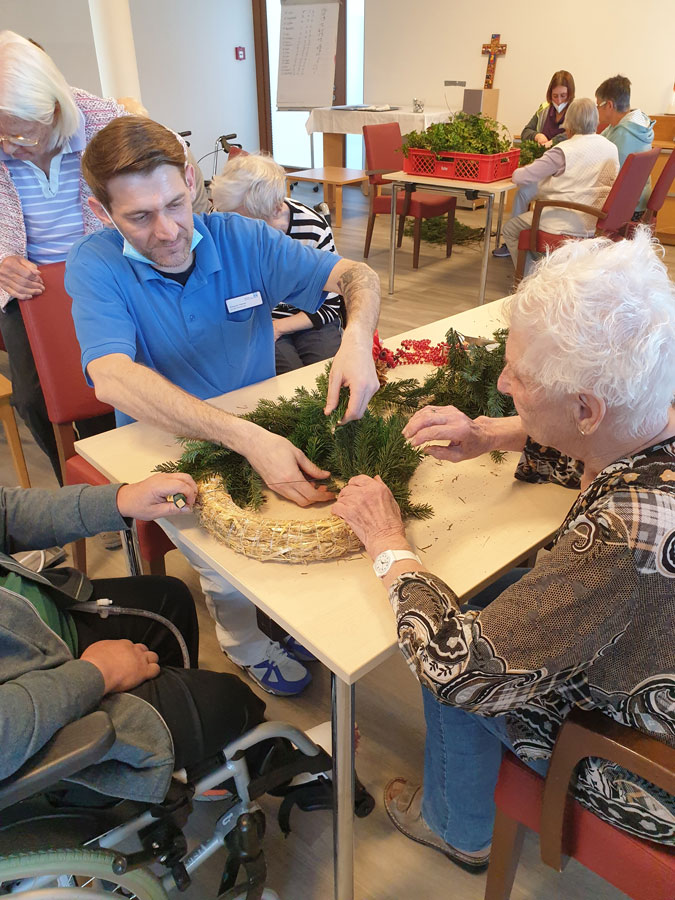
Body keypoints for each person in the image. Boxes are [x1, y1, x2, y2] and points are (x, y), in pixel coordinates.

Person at [332, 230, 675, 868]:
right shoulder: (653, 403)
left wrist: (387, 543)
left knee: (452, 634)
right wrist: (493, 432)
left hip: (640, 762)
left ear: (586, 409)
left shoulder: (622, 541)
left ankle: (457, 828)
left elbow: (463, 669)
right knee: (490, 595)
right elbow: (622, 444)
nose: (501, 379)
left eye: (519, 376)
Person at [64, 115, 381, 697]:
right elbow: (110, 376)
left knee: (327, 506)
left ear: (191, 178)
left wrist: (357, 341)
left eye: (176, 204)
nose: (166, 231)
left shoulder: (243, 238)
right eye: (138, 217)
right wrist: (245, 438)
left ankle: (282, 615)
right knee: (228, 553)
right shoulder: (96, 263)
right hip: (160, 445)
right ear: (102, 209)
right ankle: (241, 638)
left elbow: (355, 275)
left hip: (260, 421)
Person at [0, 471, 272, 803]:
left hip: (36, 624)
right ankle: (280, 768)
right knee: (227, 701)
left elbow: (6, 512)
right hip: (34, 712)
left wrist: (121, 500)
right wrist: (96, 674)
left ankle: (188, 758)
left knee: (169, 598)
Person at [0, 31, 126, 481]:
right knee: (34, 400)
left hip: (100, 274)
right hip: (28, 288)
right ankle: (75, 480)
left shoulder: (102, 121)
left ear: (53, 110)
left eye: (18, 133)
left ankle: (111, 485)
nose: (9, 146)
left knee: (99, 387)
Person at [210, 152, 343, 375]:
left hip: (309, 318)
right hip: (253, 320)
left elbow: (330, 305)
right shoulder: (220, 221)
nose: (234, 228)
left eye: (245, 222)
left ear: (275, 208)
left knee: (326, 375)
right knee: (285, 382)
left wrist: (278, 327)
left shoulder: (312, 228)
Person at [502, 98, 619, 275]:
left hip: (564, 220)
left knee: (510, 229)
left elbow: (522, 177)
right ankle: (550, 274)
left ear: (569, 122)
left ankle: (531, 281)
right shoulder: (611, 147)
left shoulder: (563, 150)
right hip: (595, 220)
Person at [493, 70, 575, 258]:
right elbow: (525, 132)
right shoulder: (544, 109)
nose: (559, 100)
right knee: (522, 192)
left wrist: (553, 142)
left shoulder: (575, 112)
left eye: (563, 96)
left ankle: (541, 241)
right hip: (541, 169)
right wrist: (537, 135)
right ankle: (513, 240)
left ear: (570, 95)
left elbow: (573, 134)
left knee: (529, 190)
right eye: (555, 96)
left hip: (561, 174)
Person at [595, 74, 655, 214]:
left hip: (626, 210)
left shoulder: (624, 136)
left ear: (609, 105)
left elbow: (606, 180)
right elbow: (597, 142)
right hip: (636, 203)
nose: (596, 110)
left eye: (598, 105)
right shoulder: (628, 125)